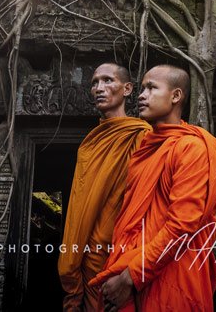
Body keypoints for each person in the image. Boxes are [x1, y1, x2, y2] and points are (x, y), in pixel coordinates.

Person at [90, 65, 216, 312]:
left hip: (171, 274)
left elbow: (182, 225)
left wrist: (131, 276)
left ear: (175, 96)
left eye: (151, 88)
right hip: (135, 268)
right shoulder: (146, 150)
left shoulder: (191, 148)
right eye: (142, 88)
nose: (142, 95)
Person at [58, 63, 152, 312]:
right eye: (94, 83)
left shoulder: (142, 135)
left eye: (108, 80)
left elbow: (146, 199)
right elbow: (80, 204)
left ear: (128, 89)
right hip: (89, 254)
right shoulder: (90, 143)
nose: (99, 88)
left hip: (123, 251)